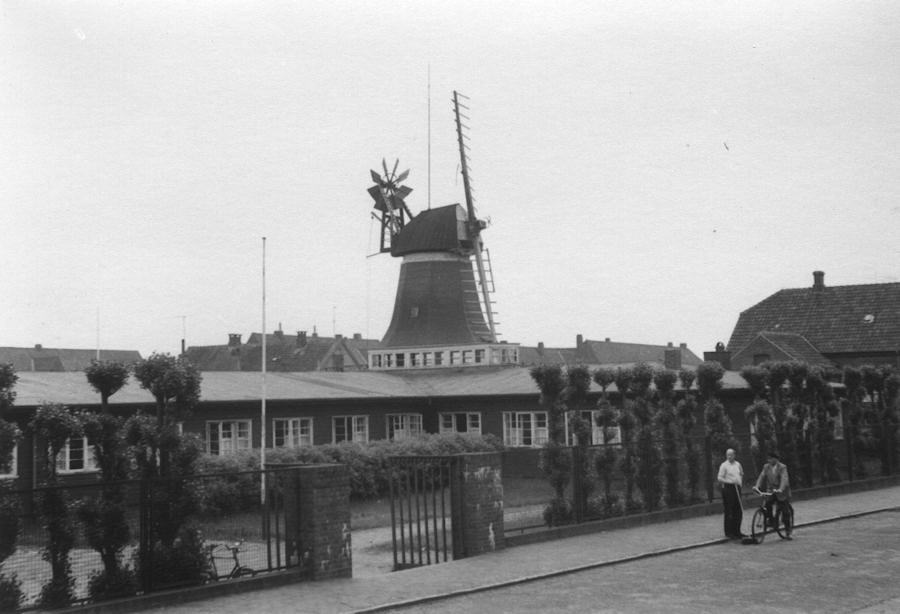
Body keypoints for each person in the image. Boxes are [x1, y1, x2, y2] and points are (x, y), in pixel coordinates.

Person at [754, 450, 792, 539]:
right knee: (767, 504)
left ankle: (788, 531)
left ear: (776, 459)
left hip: (782, 492)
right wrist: (757, 486)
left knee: (785, 511)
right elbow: (761, 476)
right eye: (768, 459)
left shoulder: (782, 467)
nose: (769, 460)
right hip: (771, 490)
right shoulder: (766, 467)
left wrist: (781, 489)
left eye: (770, 459)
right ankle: (771, 521)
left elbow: (784, 479)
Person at [717, 448, 744, 539]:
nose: (729, 457)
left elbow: (741, 474)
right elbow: (720, 478)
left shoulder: (738, 464)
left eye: (731, 455)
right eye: (727, 455)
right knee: (729, 510)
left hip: (737, 488)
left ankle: (737, 531)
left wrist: (740, 482)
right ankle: (729, 532)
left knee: (738, 510)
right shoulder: (724, 465)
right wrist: (730, 481)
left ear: (734, 455)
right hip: (728, 488)